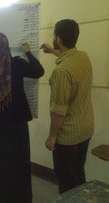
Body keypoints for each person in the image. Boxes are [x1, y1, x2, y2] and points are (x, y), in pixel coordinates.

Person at [0, 32, 44, 203]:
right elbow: (38, 71)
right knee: (16, 164)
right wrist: (27, 52)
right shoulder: (17, 64)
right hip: (16, 128)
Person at [40, 19, 94, 194]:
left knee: (67, 181)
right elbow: (69, 60)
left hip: (68, 135)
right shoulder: (82, 56)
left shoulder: (61, 72)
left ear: (59, 39)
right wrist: (53, 51)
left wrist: (52, 137)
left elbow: (59, 110)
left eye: (54, 35)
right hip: (85, 128)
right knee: (78, 173)